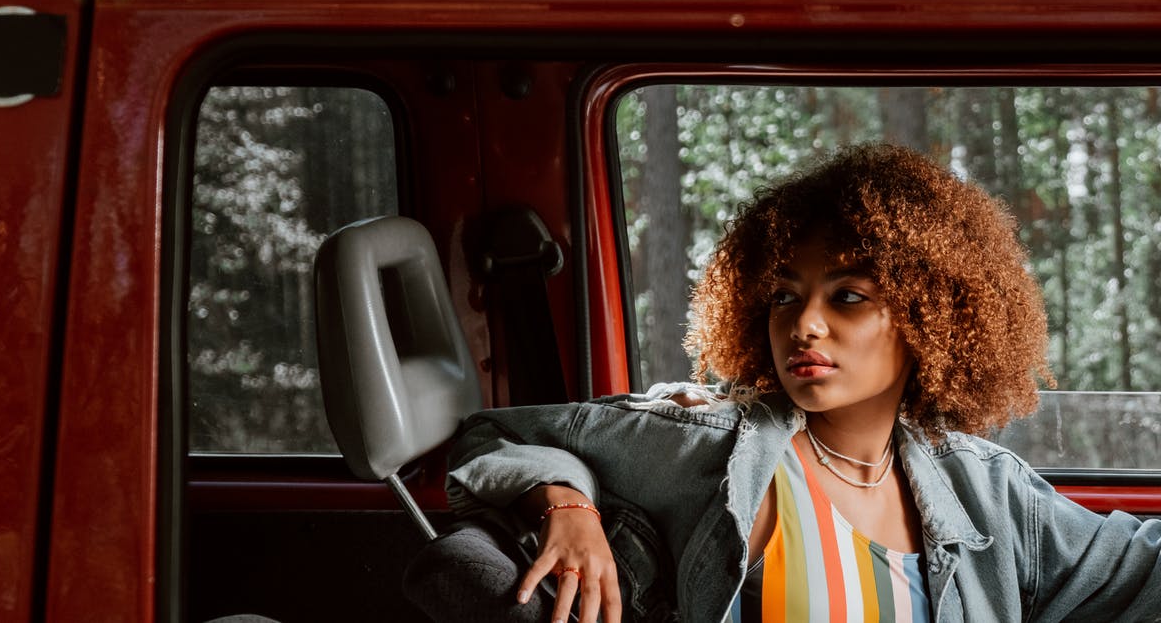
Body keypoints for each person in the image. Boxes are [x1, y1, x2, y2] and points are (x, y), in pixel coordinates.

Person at [441, 144, 1161, 622]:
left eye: (847, 296)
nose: (805, 325)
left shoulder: (984, 488)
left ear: (929, 319)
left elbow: (1137, 571)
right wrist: (567, 505)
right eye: (785, 296)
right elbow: (493, 433)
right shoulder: (706, 445)